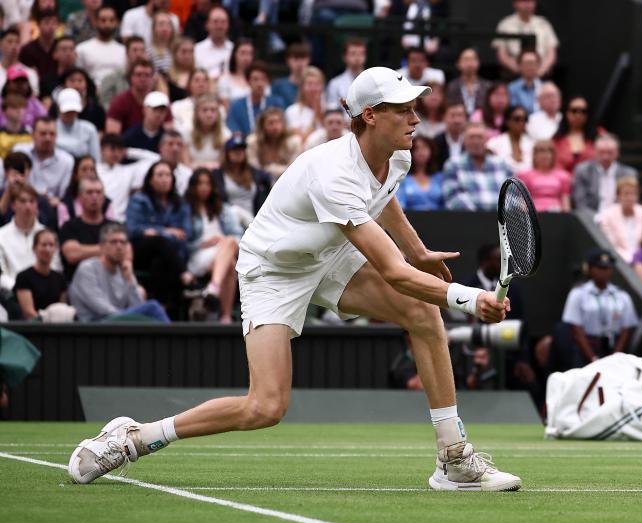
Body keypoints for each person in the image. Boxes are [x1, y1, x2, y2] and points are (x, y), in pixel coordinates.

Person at [67, 66, 522, 492]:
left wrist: (417, 249)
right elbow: (392, 273)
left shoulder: (395, 154)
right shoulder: (334, 174)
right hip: (273, 270)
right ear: (370, 116)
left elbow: (384, 199)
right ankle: (136, 436)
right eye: (403, 109)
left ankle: (453, 457)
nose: (415, 117)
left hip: (327, 252)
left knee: (422, 313)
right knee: (265, 407)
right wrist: (468, 298)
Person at [126, 160, 192, 317]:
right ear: (151, 180)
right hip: (142, 250)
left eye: (168, 175)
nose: (165, 179)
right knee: (160, 242)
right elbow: (134, 230)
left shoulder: (180, 204)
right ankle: (184, 274)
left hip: (169, 254)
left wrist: (155, 231)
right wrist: (166, 231)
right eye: (160, 175)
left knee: (160, 261)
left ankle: (164, 309)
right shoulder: (139, 200)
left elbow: (185, 234)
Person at [68, 222, 170, 323]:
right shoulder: (87, 269)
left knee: (150, 317)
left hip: (116, 324)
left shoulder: (124, 270)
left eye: (123, 242)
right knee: (152, 307)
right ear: (102, 247)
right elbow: (101, 308)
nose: (119, 247)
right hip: (93, 325)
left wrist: (130, 280)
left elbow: (138, 306)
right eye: (113, 242)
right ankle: (172, 337)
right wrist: (127, 317)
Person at [562, 248, 638, 366]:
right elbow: (576, 329)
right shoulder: (579, 294)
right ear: (590, 269)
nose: (605, 272)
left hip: (612, 346)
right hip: (587, 346)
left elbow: (626, 329)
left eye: (608, 269)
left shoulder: (621, 296)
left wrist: (615, 356)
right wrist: (592, 357)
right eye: (600, 268)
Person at [184, 168, 242, 322]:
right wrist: (203, 243)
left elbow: (238, 235)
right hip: (199, 254)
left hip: (223, 250)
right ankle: (226, 315)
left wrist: (222, 242)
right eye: (200, 183)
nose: (204, 187)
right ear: (193, 186)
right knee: (230, 258)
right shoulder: (185, 209)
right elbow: (183, 243)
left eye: (207, 183)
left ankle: (214, 291)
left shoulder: (223, 209)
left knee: (229, 250)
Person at [0, 182, 62, 291]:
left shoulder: (48, 235)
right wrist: (21, 289)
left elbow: (55, 267)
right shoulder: (1, 235)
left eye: (32, 201)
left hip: (46, 293)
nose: (28, 206)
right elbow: (2, 274)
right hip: (11, 294)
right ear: (13, 205)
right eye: (23, 201)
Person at [442, 121, 513, 211]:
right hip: (468, 221)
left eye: (480, 137)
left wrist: (500, 215)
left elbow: (512, 197)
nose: (476, 141)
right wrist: (476, 217)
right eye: (471, 137)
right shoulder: (453, 165)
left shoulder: (502, 165)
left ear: (487, 140)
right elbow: (452, 198)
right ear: (464, 140)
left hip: (500, 221)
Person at [59, 174, 114, 281]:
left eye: (98, 192)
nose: (94, 196)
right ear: (80, 197)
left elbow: (126, 253)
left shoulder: (114, 227)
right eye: (89, 192)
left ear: (103, 197)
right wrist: (109, 249)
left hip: (110, 282)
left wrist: (84, 250)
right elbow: (72, 254)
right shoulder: (69, 226)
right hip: (79, 283)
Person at [211, 134, 271, 228]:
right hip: (229, 221)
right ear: (227, 153)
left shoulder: (256, 173)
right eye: (235, 149)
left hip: (252, 218)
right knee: (235, 210)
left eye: (241, 149)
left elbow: (270, 185)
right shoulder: (217, 175)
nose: (239, 152)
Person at [571, 133, 637, 216]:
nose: (605, 157)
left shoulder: (628, 173)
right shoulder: (583, 171)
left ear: (617, 152)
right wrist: (598, 219)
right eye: (601, 152)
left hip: (619, 220)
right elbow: (580, 204)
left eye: (610, 152)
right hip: (590, 221)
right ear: (594, 152)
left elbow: (630, 202)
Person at [13, 116, 73, 205]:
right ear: (32, 134)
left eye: (52, 134)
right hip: (22, 202)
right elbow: (14, 183)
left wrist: (57, 200)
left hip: (51, 206)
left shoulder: (67, 160)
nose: (48, 138)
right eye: (43, 133)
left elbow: (62, 195)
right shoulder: (19, 152)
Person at [493, 0, 559, 77]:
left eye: (531, 1)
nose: (528, 4)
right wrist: (522, 71)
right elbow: (502, 55)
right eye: (524, 1)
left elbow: (551, 53)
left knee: (550, 88)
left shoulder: (543, 24)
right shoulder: (505, 24)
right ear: (515, 3)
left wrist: (540, 71)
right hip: (514, 75)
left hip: (541, 74)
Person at [14, 227, 66, 319]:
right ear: (34, 248)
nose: (47, 249)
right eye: (44, 245)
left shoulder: (59, 278)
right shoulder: (23, 277)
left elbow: (62, 308)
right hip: (34, 328)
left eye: (51, 245)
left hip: (57, 327)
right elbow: (28, 312)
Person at [595, 176, 642, 261]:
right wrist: (630, 259)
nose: (630, 198)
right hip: (619, 262)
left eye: (634, 194)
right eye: (626, 194)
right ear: (618, 196)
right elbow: (610, 245)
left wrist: (639, 259)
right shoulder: (607, 215)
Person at [107, 60, 169, 135]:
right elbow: (113, 136)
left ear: (153, 78)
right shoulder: (120, 102)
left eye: (147, 75)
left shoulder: (161, 101)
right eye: (139, 75)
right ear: (131, 77)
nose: (143, 79)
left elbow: (169, 133)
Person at [73, 6, 125, 90]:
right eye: (103, 20)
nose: (107, 24)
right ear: (95, 22)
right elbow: (78, 77)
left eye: (111, 20)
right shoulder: (82, 49)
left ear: (116, 23)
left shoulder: (123, 50)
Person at [226, 62, 282, 137]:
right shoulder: (236, 106)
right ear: (248, 82)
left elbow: (282, 128)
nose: (260, 84)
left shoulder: (276, 103)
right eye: (255, 79)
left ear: (268, 82)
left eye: (263, 79)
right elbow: (234, 131)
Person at [247, 108, 301, 180]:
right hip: (261, 182)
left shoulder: (294, 142)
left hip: (288, 180)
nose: (275, 127)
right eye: (271, 123)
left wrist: (271, 169)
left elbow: (295, 168)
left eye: (278, 122)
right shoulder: (253, 142)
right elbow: (253, 166)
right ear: (262, 126)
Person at [56, 155, 108, 228]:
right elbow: (65, 231)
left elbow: (110, 229)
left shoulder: (107, 203)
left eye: (92, 169)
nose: (89, 173)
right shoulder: (65, 204)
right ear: (76, 175)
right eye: (84, 169)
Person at [396, 135, 444, 211]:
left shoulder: (440, 177)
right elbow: (400, 205)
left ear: (431, 151)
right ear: (410, 153)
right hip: (411, 219)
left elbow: (446, 205)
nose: (421, 152)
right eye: (416, 148)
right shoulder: (403, 179)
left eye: (424, 147)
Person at [179, 95, 228, 169]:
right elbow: (185, 165)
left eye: (213, 110)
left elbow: (224, 165)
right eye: (204, 110)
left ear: (218, 114)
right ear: (197, 113)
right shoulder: (186, 132)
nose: (209, 114)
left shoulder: (225, 134)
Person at [53, 88, 98, 162]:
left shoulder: (90, 129)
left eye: (73, 111)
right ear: (58, 108)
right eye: (67, 111)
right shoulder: (50, 128)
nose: (70, 114)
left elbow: (95, 159)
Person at [486, 105, 534, 173]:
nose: (521, 123)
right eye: (517, 119)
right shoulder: (494, 144)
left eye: (525, 119)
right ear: (507, 121)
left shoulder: (532, 144)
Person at [284, 66, 325, 143]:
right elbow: (302, 141)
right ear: (302, 88)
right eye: (309, 84)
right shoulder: (292, 111)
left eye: (317, 84)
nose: (314, 88)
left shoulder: (330, 110)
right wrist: (316, 114)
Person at [446, 47, 490, 117]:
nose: (470, 63)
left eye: (473, 59)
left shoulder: (487, 86)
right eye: (466, 59)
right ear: (458, 64)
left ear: (478, 62)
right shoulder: (452, 86)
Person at [324, 39, 366, 113]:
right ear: (344, 57)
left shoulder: (372, 81)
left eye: (361, 54)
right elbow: (332, 111)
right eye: (353, 54)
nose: (357, 58)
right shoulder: (335, 84)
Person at [193, 6, 232, 80]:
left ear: (228, 25)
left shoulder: (234, 50)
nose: (219, 26)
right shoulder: (197, 49)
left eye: (223, 22)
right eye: (215, 22)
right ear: (207, 24)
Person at [271, 42, 311, 110]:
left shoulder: (314, 85)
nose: (300, 63)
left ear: (309, 60)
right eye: (296, 58)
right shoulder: (278, 85)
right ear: (288, 60)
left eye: (303, 58)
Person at [216, 39, 253, 107]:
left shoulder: (260, 79)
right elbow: (226, 108)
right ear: (234, 55)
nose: (246, 58)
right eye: (243, 53)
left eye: (249, 54)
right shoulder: (225, 79)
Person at [432, 102, 466, 170]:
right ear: (444, 117)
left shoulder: (470, 141)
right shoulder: (436, 142)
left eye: (460, 115)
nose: (457, 120)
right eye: (452, 116)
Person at [0, 93, 31, 159]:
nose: (19, 111)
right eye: (14, 107)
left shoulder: (31, 135)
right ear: (4, 111)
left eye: (22, 107)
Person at [146, 10, 176, 75]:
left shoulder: (177, 50)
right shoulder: (147, 52)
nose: (165, 28)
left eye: (168, 24)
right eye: (161, 24)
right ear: (154, 28)